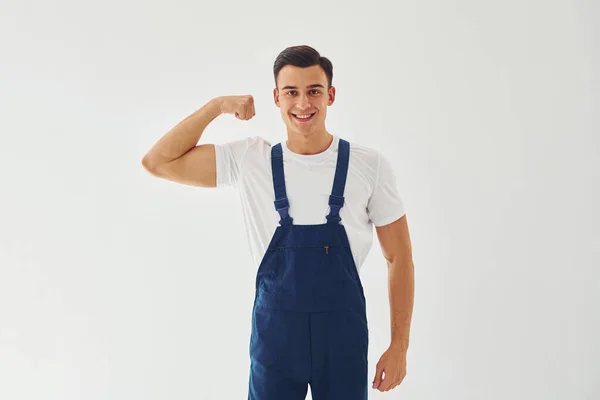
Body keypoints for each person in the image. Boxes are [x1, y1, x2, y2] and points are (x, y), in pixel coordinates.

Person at [141, 45, 415, 399]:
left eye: (314, 91)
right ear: (276, 97)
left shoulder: (369, 166)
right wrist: (217, 106)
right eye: (291, 92)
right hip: (276, 338)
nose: (303, 103)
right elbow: (158, 162)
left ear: (330, 95)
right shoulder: (250, 160)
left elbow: (400, 259)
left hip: (341, 337)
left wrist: (399, 346)